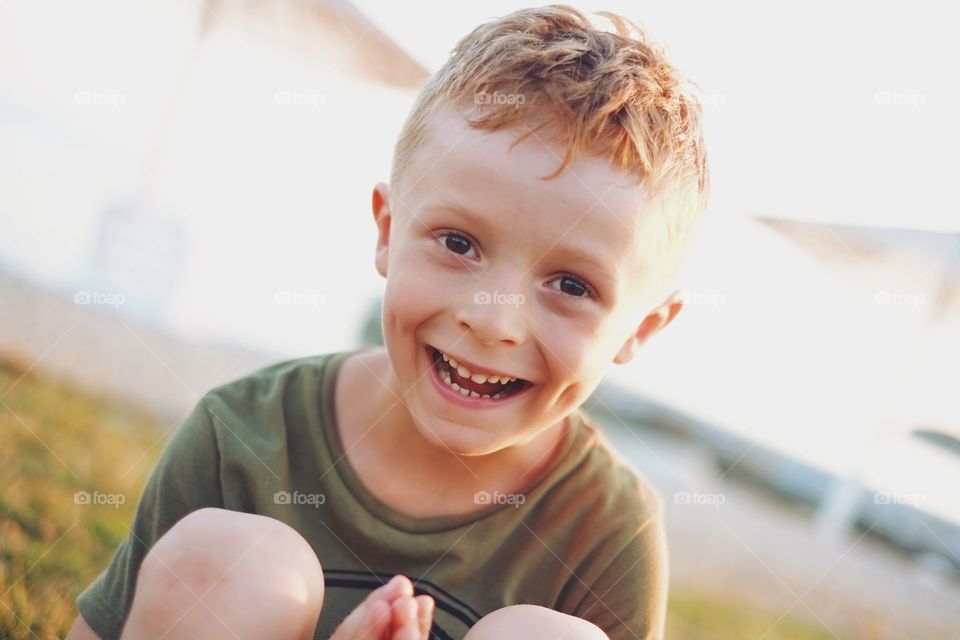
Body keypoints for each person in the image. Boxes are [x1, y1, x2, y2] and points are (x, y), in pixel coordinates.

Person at [67, 5, 709, 639]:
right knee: (233, 562)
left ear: (641, 330)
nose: (493, 323)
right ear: (387, 231)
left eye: (572, 285)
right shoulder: (242, 437)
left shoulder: (603, 530)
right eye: (458, 244)